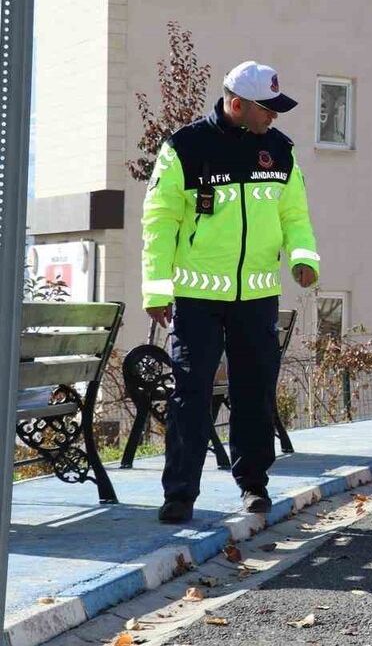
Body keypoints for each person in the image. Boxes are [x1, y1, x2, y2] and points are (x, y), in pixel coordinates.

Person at [141, 61, 320, 524]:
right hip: (197, 298)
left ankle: (253, 486)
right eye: (268, 109)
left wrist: (304, 258)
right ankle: (180, 494)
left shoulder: (281, 151)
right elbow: (159, 223)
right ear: (237, 104)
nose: (274, 118)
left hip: (257, 296)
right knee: (190, 393)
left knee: (255, 392)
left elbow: (294, 215)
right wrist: (156, 289)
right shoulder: (184, 148)